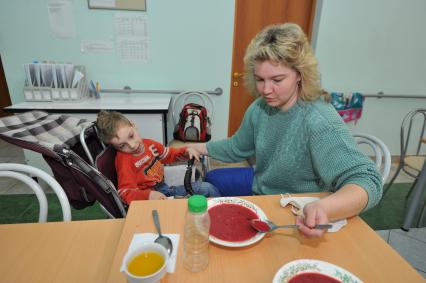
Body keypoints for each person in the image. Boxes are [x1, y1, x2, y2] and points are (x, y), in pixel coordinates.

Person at [188, 23, 382, 238]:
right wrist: (198, 147)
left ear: (300, 74)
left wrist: (325, 208)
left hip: (295, 211)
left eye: (277, 80)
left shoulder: (319, 120)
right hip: (265, 190)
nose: (266, 90)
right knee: (213, 179)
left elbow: (368, 180)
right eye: (260, 79)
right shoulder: (259, 108)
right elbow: (237, 147)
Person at [96, 110, 220, 204]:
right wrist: (148, 195)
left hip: (163, 187)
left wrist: (186, 151)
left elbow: (169, 154)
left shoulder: (149, 144)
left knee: (208, 188)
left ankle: (219, 211)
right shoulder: (124, 161)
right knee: (206, 189)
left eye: (131, 136)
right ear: (115, 147)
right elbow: (125, 192)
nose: (132, 146)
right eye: (122, 146)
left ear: (133, 126)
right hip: (153, 199)